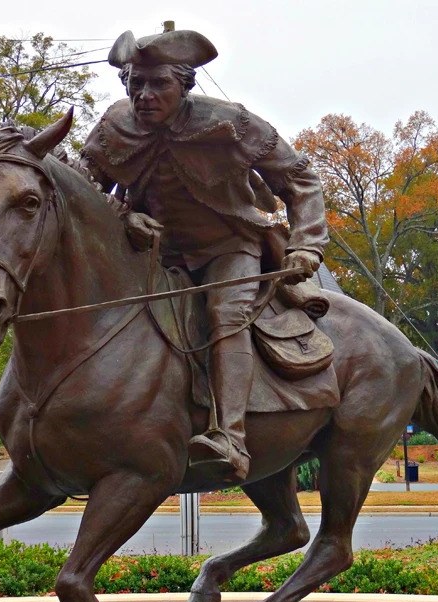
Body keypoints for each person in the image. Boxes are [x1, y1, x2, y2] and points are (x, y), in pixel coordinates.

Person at [81, 28, 329, 482]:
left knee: (226, 315)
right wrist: (124, 217)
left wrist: (307, 244)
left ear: (185, 84)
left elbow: (300, 179)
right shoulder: (115, 125)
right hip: (153, 256)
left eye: (158, 84)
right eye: (135, 84)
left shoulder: (229, 122)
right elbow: (85, 189)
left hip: (228, 248)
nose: (144, 95)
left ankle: (230, 437)